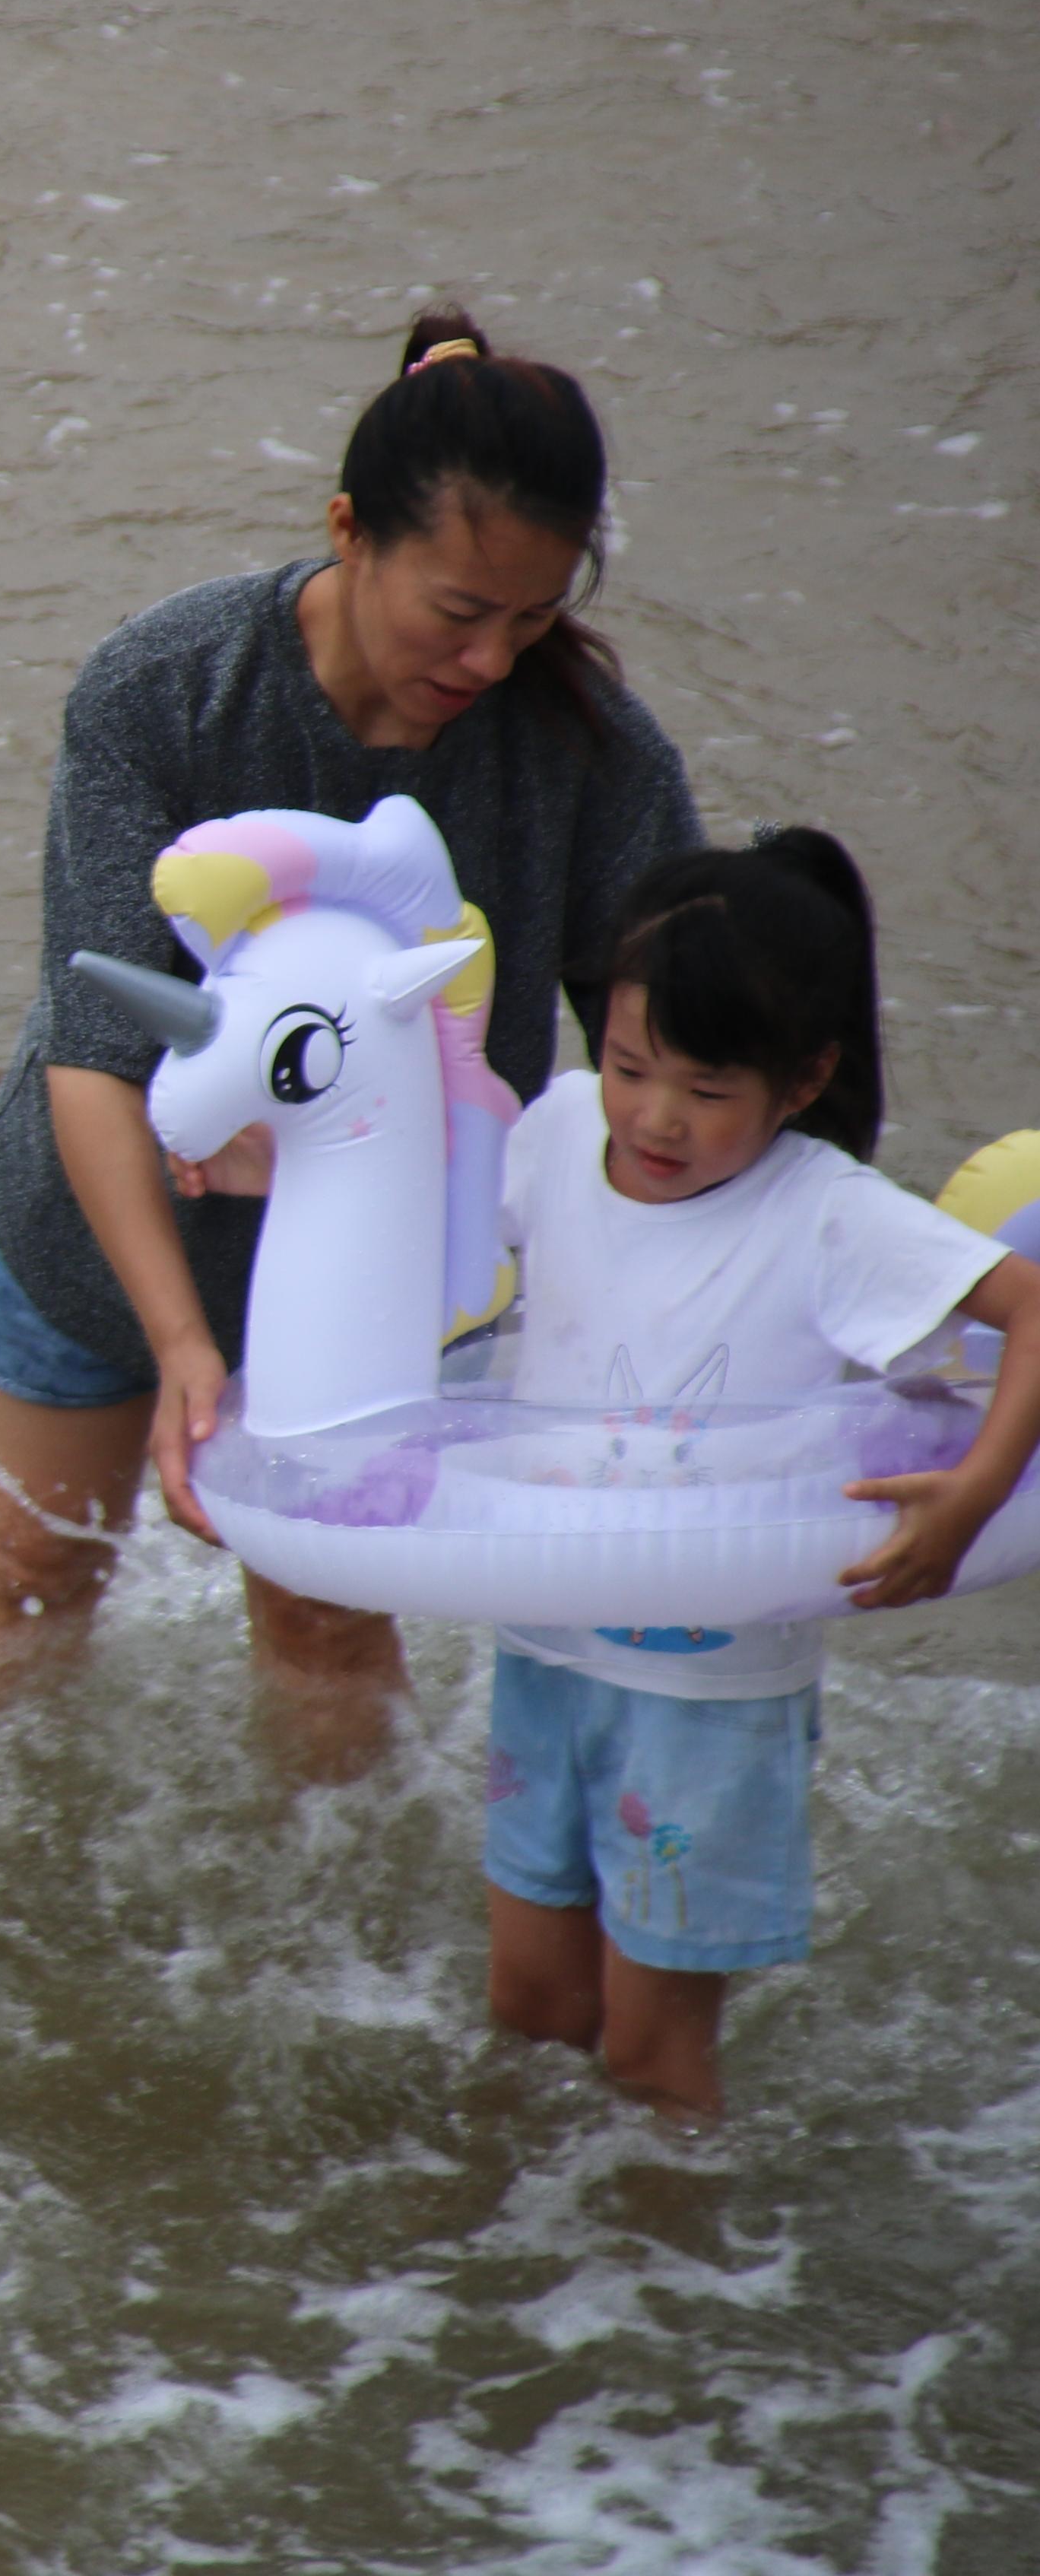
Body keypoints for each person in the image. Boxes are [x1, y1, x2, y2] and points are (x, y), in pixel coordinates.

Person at [0, 310, 702, 1771]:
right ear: (349, 531)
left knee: (332, 1632)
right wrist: (178, 1341)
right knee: (30, 1581)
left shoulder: (589, 752)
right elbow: (99, 1050)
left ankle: (335, 1964)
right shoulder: (164, 691)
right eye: (458, 612)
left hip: (368, 1286)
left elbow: (667, 1063)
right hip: (97, 1227)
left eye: (532, 619)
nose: (490, 659)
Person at [480, 833, 1040, 2120]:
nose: (655, 1117)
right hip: (547, 1642)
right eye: (629, 1066)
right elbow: (431, 1217)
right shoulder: (565, 1130)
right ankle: (510, 2292)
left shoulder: (826, 1214)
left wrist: (971, 1498)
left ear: (804, 1081)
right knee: (532, 2011)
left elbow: (1031, 1314)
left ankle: (679, 2277)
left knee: (649, 2053)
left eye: (707, 1088)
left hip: (708, 1691)